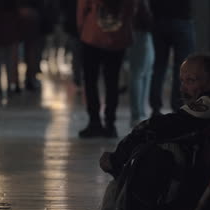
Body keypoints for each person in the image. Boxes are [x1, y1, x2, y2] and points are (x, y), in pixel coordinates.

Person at [63, 54, 210, 210]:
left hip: (207, 195)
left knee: (153, 154)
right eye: (182, 81)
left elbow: (167, 125)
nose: (183, 88)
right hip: (205, 189)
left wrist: (120, 155)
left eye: (191, 81)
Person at [77, 0, 136, 138]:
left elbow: (82, 8)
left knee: (90, 81)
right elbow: (132, 8)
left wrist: (82, 29)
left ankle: (94, 122)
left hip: (92, 34)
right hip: (118, 36)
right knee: (112, 82)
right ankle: (110, 123)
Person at [148, 0, 196, 115]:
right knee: (183, 67)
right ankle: (178, 106)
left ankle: (155, 107)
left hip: (158, 20)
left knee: (159, 66)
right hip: (182, 19)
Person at [127, 0, 154, 127]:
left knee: (143, 73)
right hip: (140, 30)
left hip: (142, 30)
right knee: (139, 74)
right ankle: (137, 113)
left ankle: (140, 112)